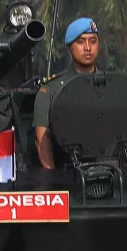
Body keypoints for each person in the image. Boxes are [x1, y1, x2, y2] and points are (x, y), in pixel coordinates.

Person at [33, 17, 101, 169]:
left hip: (110, 171)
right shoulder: (50, 89)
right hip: (67, 173)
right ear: (69, 47)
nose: (88, 48)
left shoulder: (111, 85)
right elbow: (42, 141)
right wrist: (52, 183)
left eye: (93, 41)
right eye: (81, 42)